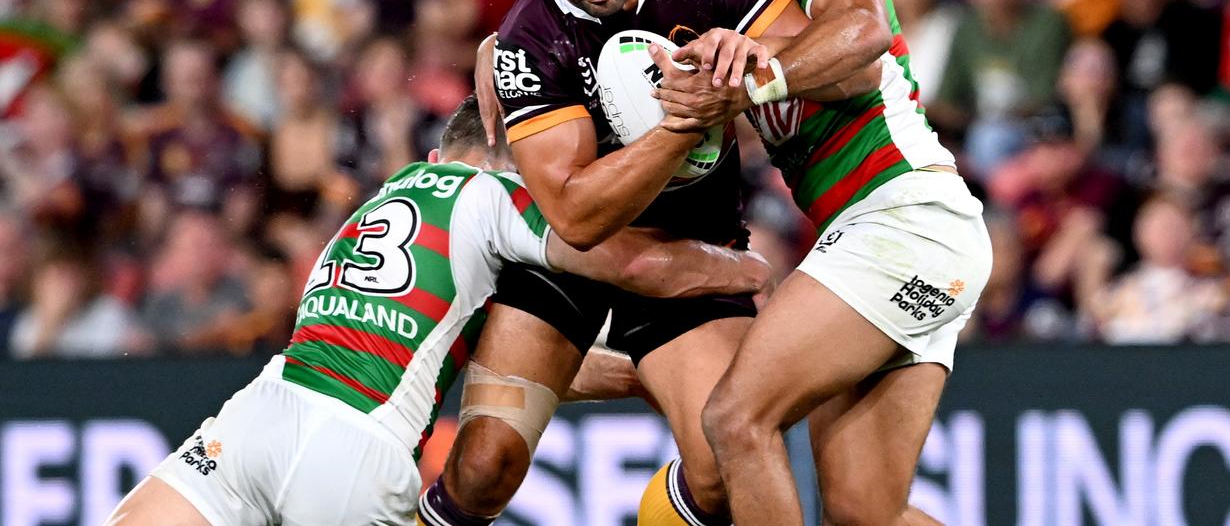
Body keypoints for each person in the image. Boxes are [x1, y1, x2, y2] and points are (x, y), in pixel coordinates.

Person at [454, 0, 877, 526]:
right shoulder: (529, 41)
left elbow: (839, 68)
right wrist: (689, 121)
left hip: (691, 250)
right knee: (482, 470)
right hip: (570, 264)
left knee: (721, 467)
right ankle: (587, 359)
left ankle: (610, 374)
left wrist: (755, 69)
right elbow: (577, 216)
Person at [105, 95, 770, 526]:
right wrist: (741, 270)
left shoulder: (383, 198)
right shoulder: (491, 196)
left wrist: (626, 376)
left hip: (261, 413)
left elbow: (497, 363)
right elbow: (631, 263)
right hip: (359, 447)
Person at [626, 0, 993, 525]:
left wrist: (751, 85)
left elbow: (864, 38)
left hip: (901, 216)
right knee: (864, 515)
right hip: (899, 240)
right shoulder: (712, 0)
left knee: (735, 418)